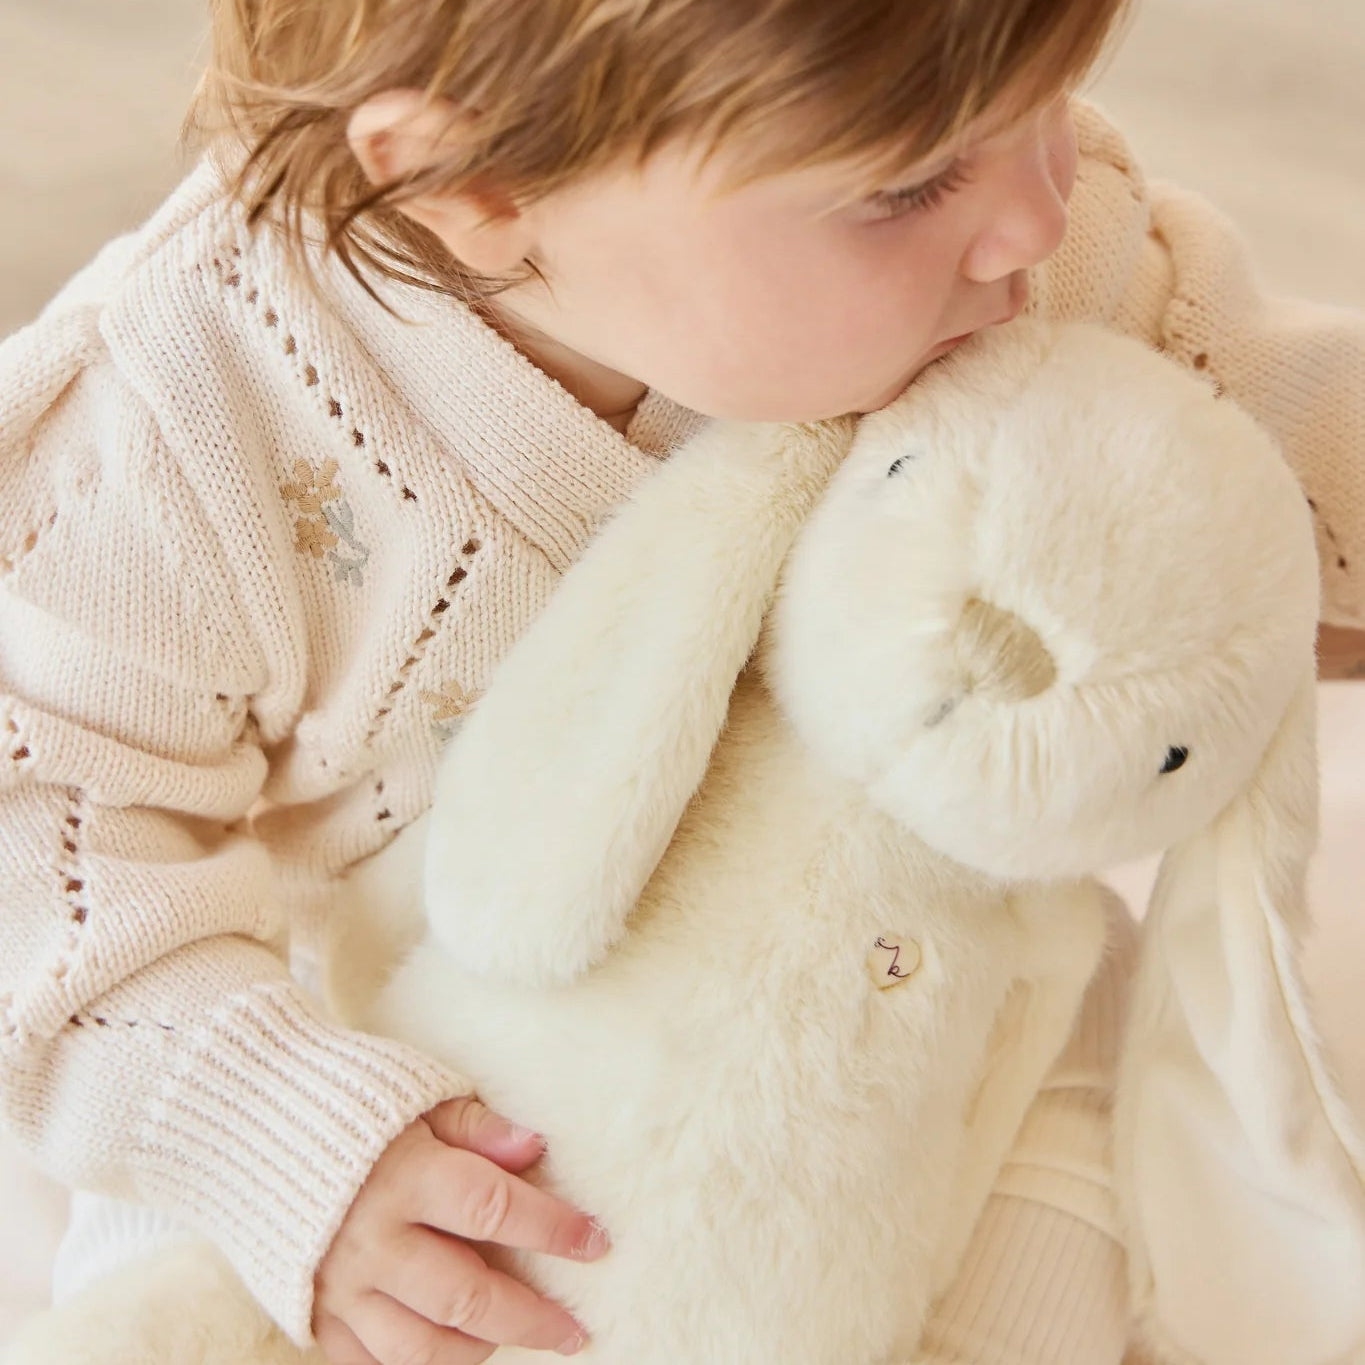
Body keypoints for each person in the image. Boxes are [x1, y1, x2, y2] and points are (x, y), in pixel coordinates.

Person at [1, 1, 1361, 1362]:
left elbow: (1285, 422)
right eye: (908, 184)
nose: (1038, 217)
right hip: (411, 1063)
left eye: (1048, 104)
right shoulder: (182, 422)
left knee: (1095, 1196)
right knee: (234, 1279)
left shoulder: (1024, 261)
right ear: (481, 185)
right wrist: (280, 1127)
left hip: (926, 1003)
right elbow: (41, 841)